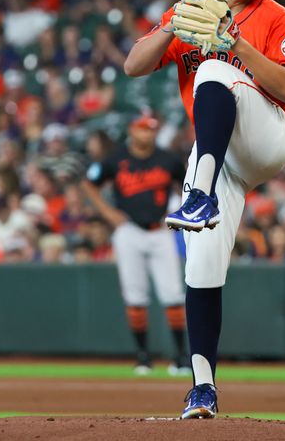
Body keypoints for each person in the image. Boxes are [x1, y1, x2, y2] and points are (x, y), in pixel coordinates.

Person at [123, 0, 285, 419]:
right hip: (219, 155)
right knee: (200, 265)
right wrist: (170, 27)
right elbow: (133, 66)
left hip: (267, 136)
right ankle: (202, 388)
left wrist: (238, 48)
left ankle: (198, 192)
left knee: (212, 70)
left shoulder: (275, 16)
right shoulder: (190, 13)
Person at [81, 113, 189, 376]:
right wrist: (108, 214)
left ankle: (181, 357)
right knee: (135, 295)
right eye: (142, 129)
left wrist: (179, 211)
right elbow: (89, 183)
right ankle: (142, 357)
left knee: (173, 294)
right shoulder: (116, 159)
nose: (147, 134)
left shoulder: (168, 159)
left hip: (160, 231)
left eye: (151, 129)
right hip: (128, 230)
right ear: (132, 130)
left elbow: (189, 184)